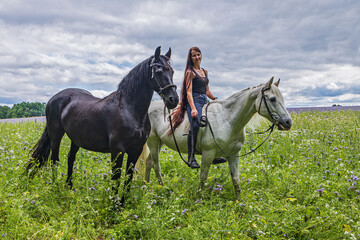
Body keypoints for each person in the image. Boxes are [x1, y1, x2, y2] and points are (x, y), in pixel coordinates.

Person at [171, 47, 218, 168]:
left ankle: (213, 154)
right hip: (194, 100)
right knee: (196, 124)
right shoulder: (190, 72)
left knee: (214, 119)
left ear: (201, 55)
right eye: (194, 56)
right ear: (190, 58)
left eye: (198, 54)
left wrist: (215, 99)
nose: (197, 57)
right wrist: (193, 108)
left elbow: (207, 91)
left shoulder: (205, 71)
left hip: (204, 100)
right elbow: (189, 92)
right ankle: (191, 158)